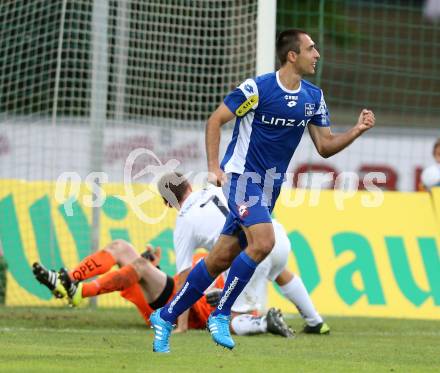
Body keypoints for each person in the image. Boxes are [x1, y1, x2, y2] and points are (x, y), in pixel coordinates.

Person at [150, 28, 375, 353]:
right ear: (292, 55)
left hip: (270, 188)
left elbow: (324, 146)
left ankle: (166, 317)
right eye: (311, 49)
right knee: (265, 241)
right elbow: (215, 120)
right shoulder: (257, 89)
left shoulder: (313, 97)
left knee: (219, 259)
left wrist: (356, 130)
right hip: (242, 179)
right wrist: (215, 166)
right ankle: (221, 314)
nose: (318, 54)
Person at [157, 172, 329, 336]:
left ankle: (265, 323)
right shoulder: (217, 188)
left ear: (167, 203)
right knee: (281, 272)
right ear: (188, 185)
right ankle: (316, 322)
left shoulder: (184, 221)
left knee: (229, 319)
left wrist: (182, 325)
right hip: (275, 235)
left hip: (247, 253)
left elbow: (185, 277)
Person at [32, 240, 292, 336]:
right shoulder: (207, 256)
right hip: (174, 301)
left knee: (142, 267)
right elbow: (185, 281)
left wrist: (222, 299)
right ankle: (71, 280)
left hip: (183, 313)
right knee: (121, 247)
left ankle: (78, 292)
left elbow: (247, 312)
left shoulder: (245, 270)